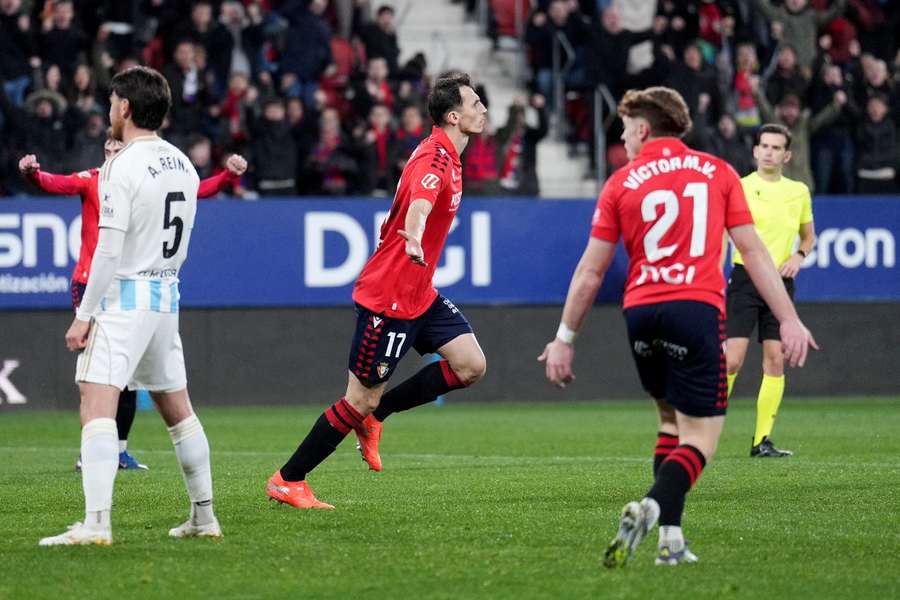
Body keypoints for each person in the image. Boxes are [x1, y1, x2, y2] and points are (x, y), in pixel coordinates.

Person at [538, 87, 817, 566]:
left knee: (669, 422)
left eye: (626, 130)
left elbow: (590, 272)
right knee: (701, 438)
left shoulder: (621, 182)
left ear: (644, 129)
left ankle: (671, 540)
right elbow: (753, 253)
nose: (623, 140)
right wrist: (789, 318)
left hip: (641, 315)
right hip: (695, 309)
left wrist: (564, 339)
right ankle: (650, 508)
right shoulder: (719, 172)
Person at [266, 72, 488, 509]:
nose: (483, 109)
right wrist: (414, 235)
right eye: (475, 103)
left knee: (470, 365)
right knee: (359, 398)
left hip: (419, 293)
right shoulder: (436, 160)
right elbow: (421, 204)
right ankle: (288, 479)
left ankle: (378, 415)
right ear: (453, 116)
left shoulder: (446, 154)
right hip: (389, 298)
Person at [39, 66, 220, 546]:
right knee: (178, 410)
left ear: (125, 107)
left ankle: (96, 524)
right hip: (166, 295)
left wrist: (84, 315)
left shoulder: (121, 166)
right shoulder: (183, 163)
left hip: (125, 297)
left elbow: (108, 250)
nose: (109, 111)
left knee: (95, 401)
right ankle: (204, 517)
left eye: (111, 103)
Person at [19, 142, 247, 472]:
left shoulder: (143, 182)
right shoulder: (93, 179)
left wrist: (227, 177)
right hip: (91, 284)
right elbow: (56, 183)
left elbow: (194, 191)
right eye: (109, 149)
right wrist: (33, 174)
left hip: (127, 285)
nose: (113, 154)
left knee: (127, 376)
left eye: (119, 149)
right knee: (100, 373)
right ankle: (90, 455)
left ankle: (119, 451)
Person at [726, 124, 816, 458]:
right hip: (745, 278)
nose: (768, 152)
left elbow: (808, 235)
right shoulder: (739, 187)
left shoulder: (798, 192)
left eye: (776, 147)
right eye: (764, 146)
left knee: (775, 360)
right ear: (755, 151)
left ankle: (762, 441)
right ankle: (700, 427)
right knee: (732, 359)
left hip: (780, 282)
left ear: (787, 155)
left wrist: (798, 256)